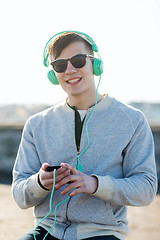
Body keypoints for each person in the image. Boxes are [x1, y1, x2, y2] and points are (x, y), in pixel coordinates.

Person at [12, 31, 157, 240]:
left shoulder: (132, 120)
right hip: (47, 231)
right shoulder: (36, 125)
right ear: (53, 74)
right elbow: (19, 195)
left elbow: (146, 188)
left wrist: (96, 184)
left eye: (78, 61)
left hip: (103, 232)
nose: (70, 70)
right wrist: (40, 182)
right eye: (60, 65)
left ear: (95, 64)